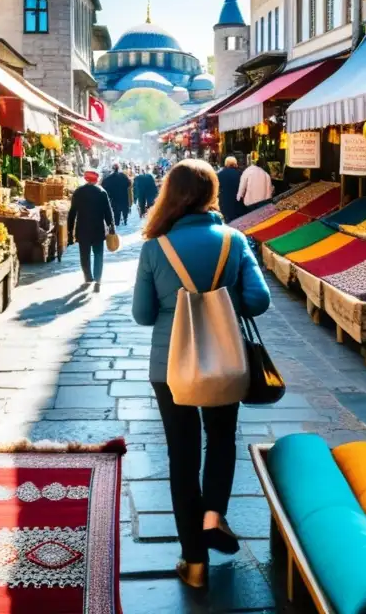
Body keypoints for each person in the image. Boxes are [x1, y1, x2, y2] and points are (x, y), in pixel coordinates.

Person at [132, 159, 271, 589]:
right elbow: (258, 300)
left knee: (182, 454)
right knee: (222, 438)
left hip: (169, 366)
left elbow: (142, 314)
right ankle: (213, 516)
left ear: (170, 195)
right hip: (225, 361)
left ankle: (193, 562)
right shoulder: (233, 240)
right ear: (212, 193)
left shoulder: (155, 247)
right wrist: (221, 300)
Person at [68, 169, 115, 292]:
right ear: (96, 179)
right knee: (98, 254)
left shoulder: (78, 192)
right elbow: (108, 212)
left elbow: (72, 213)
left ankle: (88, 277)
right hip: (98, 229)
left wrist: (69, 230)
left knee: (84, 255)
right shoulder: (101, 192)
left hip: (82, 229)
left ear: (85, 179)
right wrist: (112, 226)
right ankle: (98, 279)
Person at [216, 156, 243, 222]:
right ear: (235, 164)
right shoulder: (241, 174)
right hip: (239, 204)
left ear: (225, 164)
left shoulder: (219, 175)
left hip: (225, 204)